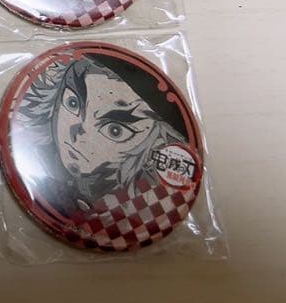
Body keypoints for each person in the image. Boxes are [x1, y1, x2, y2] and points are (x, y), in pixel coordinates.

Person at [15, 51, 190, 214]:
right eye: (73, 103)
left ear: (156, 141)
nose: (78, 134)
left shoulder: (140, 209)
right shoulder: (30, 156)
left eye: (115, 131)